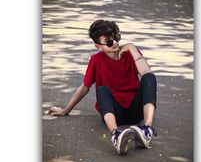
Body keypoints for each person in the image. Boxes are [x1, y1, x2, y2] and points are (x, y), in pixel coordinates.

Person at [48, 19, 157, 155]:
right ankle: (116, 135)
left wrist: (132, 48)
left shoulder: (130, 54)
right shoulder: (96, 60)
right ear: (98, 46)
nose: (115, 43)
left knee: (150, 77)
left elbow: (146, 73)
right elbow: (85, 87)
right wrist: (65, 110)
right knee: (102, 90)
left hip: (136, 110)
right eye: (109, 41)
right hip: (114, 112)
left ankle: (146, 129)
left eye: (116, 37)